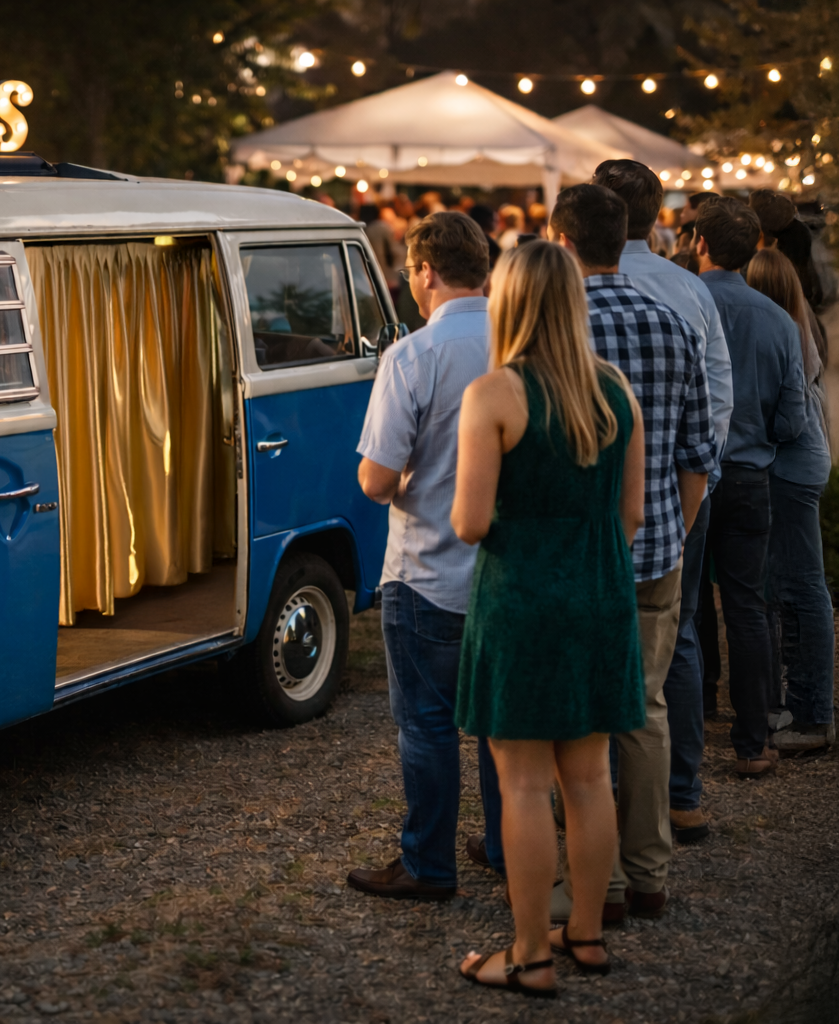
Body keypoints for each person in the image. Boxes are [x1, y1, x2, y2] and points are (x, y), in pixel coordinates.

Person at [452, 240, 646, 997]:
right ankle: (587, 933)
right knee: (591, 777)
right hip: (600, 597)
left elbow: (470, 522)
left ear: (509, 302)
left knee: (526, 784)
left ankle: (530, 954)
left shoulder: (495, 394)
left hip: (521, 601)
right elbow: (630, 514)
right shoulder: (615, 393)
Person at [547, 184, 716, 922]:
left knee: (580, 719)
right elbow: (698, 454)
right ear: (628, 238)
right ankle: (649, 875)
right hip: (656, 554)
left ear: (562, 241)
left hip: (576, 557)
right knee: (644, 711)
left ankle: (596, 882)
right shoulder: (673, 325)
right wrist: (671, 530)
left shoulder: (557, 335)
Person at [347, 212, 494, 901]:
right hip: (499, 571)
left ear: (426, 272)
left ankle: (429, 864)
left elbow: (376, 481)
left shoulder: (413, 356)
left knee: (428, 725)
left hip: (427, 567)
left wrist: (410, 475)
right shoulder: (522, 344)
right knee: (499, 723)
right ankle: (504, 842)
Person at [592, 159, 734, 845]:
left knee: (589, 671)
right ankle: (680, 800)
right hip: (677, 499)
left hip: (584, 521)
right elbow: (717, 402)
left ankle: (589, 816)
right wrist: (686, 511)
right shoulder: (686, 295)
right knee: (672, 645)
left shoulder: (561, 307)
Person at [696, 197, 808, 778]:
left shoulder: (684, 306)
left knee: (688, 604)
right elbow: (793, 421)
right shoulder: (778, 320)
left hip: (689, 477)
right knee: (746, 604)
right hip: (749, 476)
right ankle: (751, 740)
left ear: (699, 244)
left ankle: (695, 717)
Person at [744, 249, 836, 754]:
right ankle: (804, 706)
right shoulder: (802, 325)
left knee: (800, 587)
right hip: (802, 467)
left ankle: (813, 715)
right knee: (788, 588)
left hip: (790, 470)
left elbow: (790, 421)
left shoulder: (778, 331)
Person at [360, 202, 404, 309]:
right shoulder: (383, 227)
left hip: (370, 276)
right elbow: (392, 251)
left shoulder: (365, 229)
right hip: (389, 276)